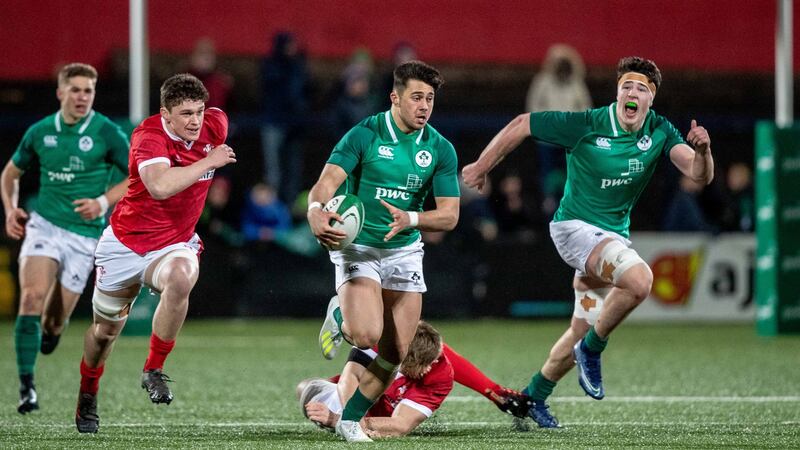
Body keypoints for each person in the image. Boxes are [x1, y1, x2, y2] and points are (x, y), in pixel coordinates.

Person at [462, 56, 714, 428]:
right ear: (617, 92)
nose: (632, 93)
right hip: (574, 230)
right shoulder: (586, 124)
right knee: (640, 281)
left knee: (581, 329)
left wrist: (704, 152)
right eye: (626, 86)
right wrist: (481, 167)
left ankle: (532, 398)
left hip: (610, 239)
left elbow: (697, 173)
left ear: (650, 99)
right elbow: (523, 124)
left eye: (641, 89)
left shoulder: (659, 130)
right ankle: (593, 350)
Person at [74, 73, 237, 433]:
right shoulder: (148, 136)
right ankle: (88, 389)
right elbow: (160, 186)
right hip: (125, 244)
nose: (195, 121)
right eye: (185, 114)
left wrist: (208, 157)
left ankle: (153, 369)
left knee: (181, 277)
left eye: (199, 111)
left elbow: (208, 135)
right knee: (104, 334)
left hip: (174, 244)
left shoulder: (216, 124)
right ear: (165, 114)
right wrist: (209, 162)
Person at [307, 60, 460, 442]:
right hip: (358, 247)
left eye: (429, 99)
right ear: (395, 97)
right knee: (365, 336)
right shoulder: (365, 134)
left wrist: (411, 219)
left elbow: (449, 215)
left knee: (396, 351)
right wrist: (315, 210)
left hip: (404, 251)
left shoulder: (439, 149)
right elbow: (327, 182)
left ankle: (349, 421)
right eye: (416, 97)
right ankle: (341, 314)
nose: (424, 106)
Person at [1, 63, 130, 415]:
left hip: (83, 236)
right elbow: (10, 173)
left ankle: (51, 330)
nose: (82, 97)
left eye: (88, 91)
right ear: (61, 93)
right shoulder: (41, 131)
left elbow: (137, 175)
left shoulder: (106, 132)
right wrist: (11, 210)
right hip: (44, 225)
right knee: (31, 296)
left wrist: (102, 201)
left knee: (54, 321)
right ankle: (26, 387)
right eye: (75, 90)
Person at [297, 320, 531, 438]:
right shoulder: (382, 343)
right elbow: (351, 376)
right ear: (401, 359)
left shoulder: (439, 370)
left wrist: (494, 392)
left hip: (379, 407)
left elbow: (401, 425)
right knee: (306, 390)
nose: (428, 369)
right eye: (423, 366)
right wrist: (348, 419)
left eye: (433, 361)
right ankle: (341, 317)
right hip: (353, 393)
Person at [526, 44, 592, 217]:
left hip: (569, 140)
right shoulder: (542, 81)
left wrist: (574, 127)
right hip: (547, 139)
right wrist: (547, 124)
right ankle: (547, 202)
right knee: (547, 175)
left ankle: (572, 204)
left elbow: (586, 110)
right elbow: (533, 107)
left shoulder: (576, 84)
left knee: (570, 174)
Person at [260, 31, 309, 204]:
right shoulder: (271, 65)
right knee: (274, 171)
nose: (292, 49)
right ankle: (271, 207)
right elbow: (273, 92)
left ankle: (288, 207)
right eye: (289, 45)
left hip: (294, 124)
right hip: (274, 122)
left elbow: (303, 93)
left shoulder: (298, 66)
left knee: (293, 170)